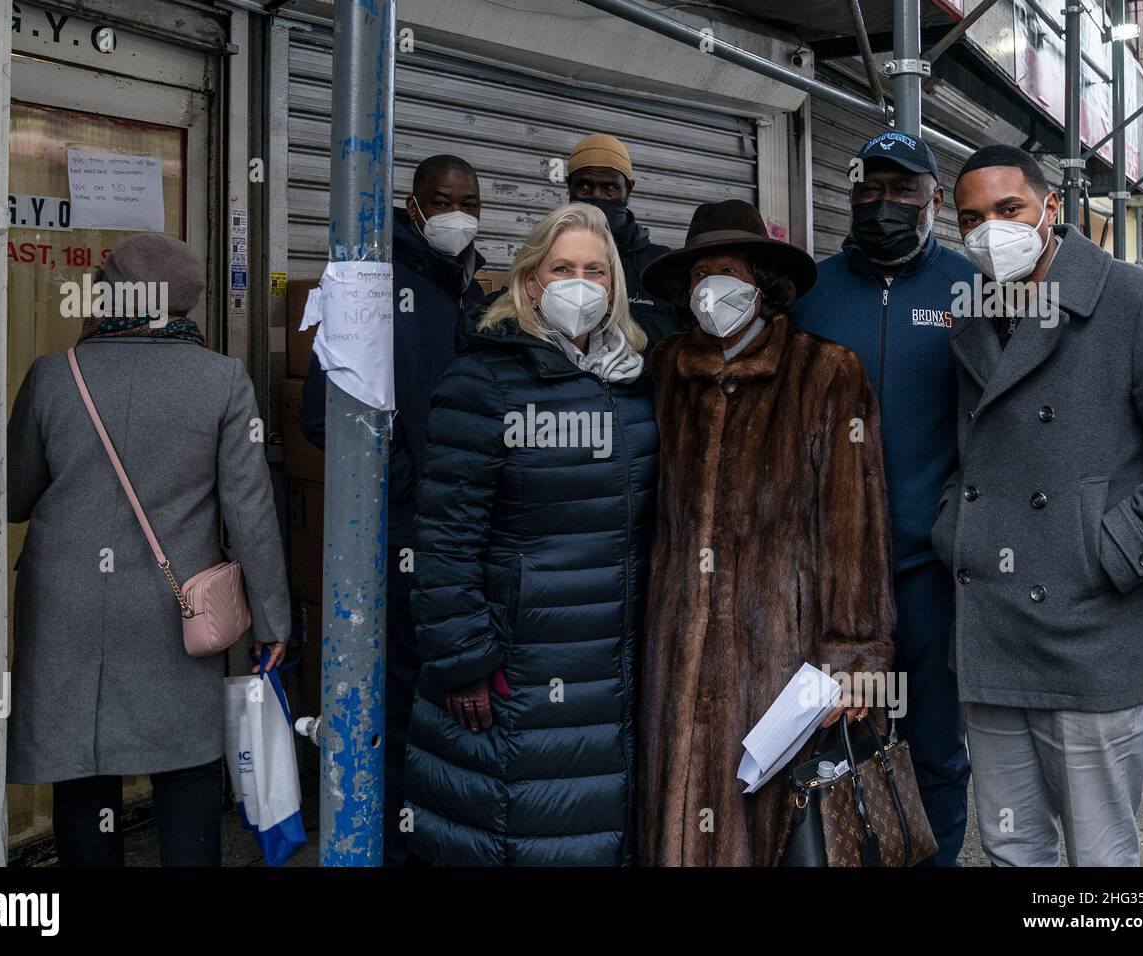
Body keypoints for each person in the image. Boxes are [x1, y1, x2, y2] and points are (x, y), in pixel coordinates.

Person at [936, 145, 1143, 866]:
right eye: (971, 218)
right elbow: (969, 455)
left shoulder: (1137, 300)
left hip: (1091, 637)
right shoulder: (972, 315)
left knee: (1100, 853)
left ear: (1050, 207)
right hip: (993, 628)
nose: (990, 230)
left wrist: (1110, 552)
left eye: (1008, 209)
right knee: (1010, 843)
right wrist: (955, 532)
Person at [6, 234, 290, 866]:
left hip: (65, 604)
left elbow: (14, 496)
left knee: (83, 765)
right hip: (177, 605)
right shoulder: (222, 380)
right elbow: (251, 513)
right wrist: (271, 619)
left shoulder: (54, 376)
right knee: (186, 764)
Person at [637, 200, 895, 866]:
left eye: (726, 270)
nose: (710, 288)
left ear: (762, 283)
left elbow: (855, 526)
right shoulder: (663, 372)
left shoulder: (827, 372)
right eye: (698, 275)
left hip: (780, 658)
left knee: (775, 826)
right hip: (674, 649)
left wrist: (854, 658)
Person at [403, 202, 657, 866]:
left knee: (591, 835)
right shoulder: (484, 382)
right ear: (532, 281)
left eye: (596, 270)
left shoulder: (633, 383)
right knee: (518, 834)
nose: (581, 283)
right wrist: (465, 660)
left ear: (615, 284)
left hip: (609, 670)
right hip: (517, 671)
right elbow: (444, 539)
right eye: (564, 267)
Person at [790, 132, 976, 866]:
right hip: (824, 574)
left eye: (904, 191)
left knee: (933, 745)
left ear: (935, 200)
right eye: (870, 189)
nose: (885, 205)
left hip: (930, 569)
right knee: (827, 744)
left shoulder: (971, 289)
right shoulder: (810, 291)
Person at [299, 154, 486, 865]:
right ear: (413, 206)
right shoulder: (375, 291)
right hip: (403, 541)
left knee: (449, 710)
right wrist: (407, 484)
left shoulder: (472, 297)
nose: (455, 214)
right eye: (442, 200)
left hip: (462, 545)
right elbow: (325, 416)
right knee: (400, 709)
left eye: (468, 201)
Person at [566, 133, 687, 352]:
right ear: (569, 188)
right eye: (584, 187)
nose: (596, 197)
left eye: (609, 188)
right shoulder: (548, 262)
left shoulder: (661, 268)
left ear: (628, 189)